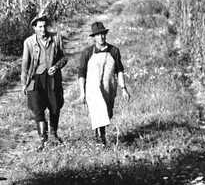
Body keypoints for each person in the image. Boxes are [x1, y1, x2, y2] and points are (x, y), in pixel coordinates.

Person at [76, 21, 131, 145]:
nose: (101, 37)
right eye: (98, 35)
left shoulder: (114, 51)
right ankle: (101, 140)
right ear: (94, 37)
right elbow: (81, 73)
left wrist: (123, 88)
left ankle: (99, 135)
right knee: (98, 110)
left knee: (107, 113)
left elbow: (120, 70)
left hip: (108, 88)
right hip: (92, 88)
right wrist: (82, 93)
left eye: (103, 34)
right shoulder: (87, 52)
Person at [21, 15, 69, 149]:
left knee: (55, 106)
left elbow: (64, 57)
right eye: (40, 27)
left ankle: (53, 134)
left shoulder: (56, 38)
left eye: (44, 26)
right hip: (35, 79)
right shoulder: (29, 42)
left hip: (52, 78)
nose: (43, 29)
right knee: (37, 107)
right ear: (35, 28)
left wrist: (57, 66)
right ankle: (43, 139)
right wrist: (24, 84)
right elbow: (25, 65)